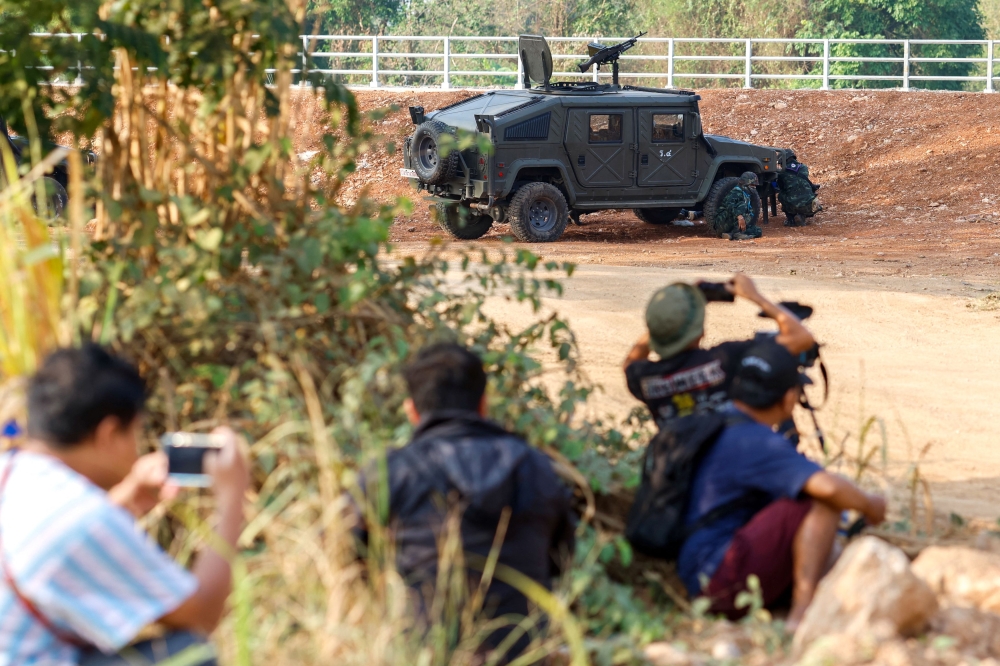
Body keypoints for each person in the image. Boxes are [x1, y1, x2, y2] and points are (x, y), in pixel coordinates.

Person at [0, 345, 249, 666]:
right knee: (190, 652)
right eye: (135, 431)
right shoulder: (84, 517)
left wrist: (128, 499)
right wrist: (232, 499)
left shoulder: (12, 471)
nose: (136, 446)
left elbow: (56, 545)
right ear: (108, 433)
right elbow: (200, 615)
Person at [351, 342, 576, 661]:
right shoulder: (536, 467)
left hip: (425, 655)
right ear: (483, 405)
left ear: (412, 410)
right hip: (522, 656)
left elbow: (341, 558)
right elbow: (561, 559)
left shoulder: (390, 474)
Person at [677, 339, 886, 628]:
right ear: (789, 398)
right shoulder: (758, 441)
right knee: (822, 500)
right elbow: (828, 488)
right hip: (721, 578)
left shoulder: (718, 423)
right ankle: (802, 613)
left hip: (695, 575)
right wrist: (871, 505)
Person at [624, 274, 815, 429]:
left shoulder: (645, 378)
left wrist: (664, 320)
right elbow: (801, 338)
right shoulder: (724, 359)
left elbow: (630, 362)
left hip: (681, 471)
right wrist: (754, 295)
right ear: (700, 333)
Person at [710, 172, 763, 240]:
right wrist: (739, 216)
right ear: (745, 184)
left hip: (731, 225)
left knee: (758, 231)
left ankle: (732, 234)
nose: (754, 187)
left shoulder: (746, 195)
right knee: (742, 205)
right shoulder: (736, 192)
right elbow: (729, 205)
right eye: (752, 185)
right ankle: (736, 234)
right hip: (722, 223)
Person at [777, 155, 822, 227]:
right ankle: (802, 216)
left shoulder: (781, 173)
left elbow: (779, 187)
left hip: (794, 205)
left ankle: (790, 220)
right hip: (811, 206)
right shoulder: (803, 167)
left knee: (781, 195)